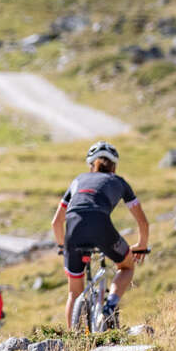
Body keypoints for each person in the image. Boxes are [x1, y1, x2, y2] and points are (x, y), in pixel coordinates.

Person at [51, 140, 150, 328]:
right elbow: (143, 222)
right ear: (114, 166)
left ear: (91, 165)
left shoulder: (78, 180)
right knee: (126, 267)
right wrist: (141, 245)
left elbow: (56, 222)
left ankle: (74, 340)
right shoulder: (119, 181)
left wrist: (63, 247)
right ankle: (110, 305)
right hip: (100, 224)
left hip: (73, 228)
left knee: (74, 292)